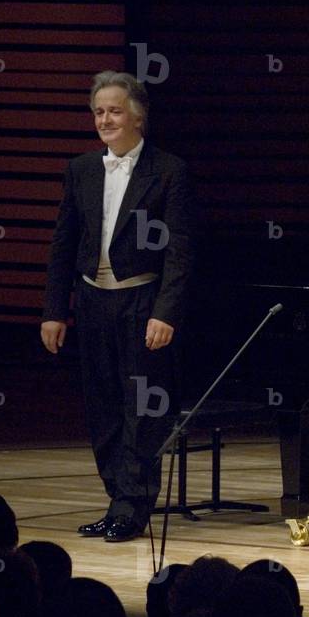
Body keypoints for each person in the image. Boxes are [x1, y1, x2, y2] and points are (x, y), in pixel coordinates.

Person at [41, 70, 194, 542]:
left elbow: (180, 250)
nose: (105, 119)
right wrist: (54, 310)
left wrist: (165, 311)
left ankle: (132, 506)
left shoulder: (168, 170)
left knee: (142, 410)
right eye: (99, 112)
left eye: (114, 111)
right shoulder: (81, 169)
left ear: (138, 117)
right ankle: (117, 500)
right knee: (102, 407)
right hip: (92, 301)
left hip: (142, 300)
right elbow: (63, 244)